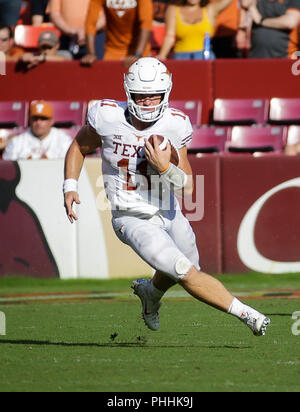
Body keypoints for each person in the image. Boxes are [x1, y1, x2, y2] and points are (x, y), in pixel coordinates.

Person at [63, 57, 270, 337]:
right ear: (128, 93)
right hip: (131, 217)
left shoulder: (175, 124)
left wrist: (164, 167)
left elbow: (187, 186)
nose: (148, 102)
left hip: (169, 212)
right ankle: (248, 315)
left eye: (154, 96)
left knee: (186, 268)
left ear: (166, 92)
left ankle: (150, 293)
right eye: (141, 96)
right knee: (184, 271)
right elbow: (79, 145)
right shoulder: (107, 116)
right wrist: (69, 185)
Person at [81, 0, 153, 67]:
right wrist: (91, 53)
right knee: (109, 78)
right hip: (113, 49)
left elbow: (146, 23)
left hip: (138, 49)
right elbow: (90, 23)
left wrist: (138, 54)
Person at [157, 0, 234, 60]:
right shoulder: (173, 9)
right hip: (181, 57)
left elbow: (226, 1)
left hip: (205, 57)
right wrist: (162, 55)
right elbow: (169, 37)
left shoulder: (209, 9)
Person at [3, 101, 72, 160]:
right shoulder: (16, 142)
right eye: (35, 118)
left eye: (43, 119)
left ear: (52, 121)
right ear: (29, 120)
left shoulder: (64, 140)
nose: (38, 122)